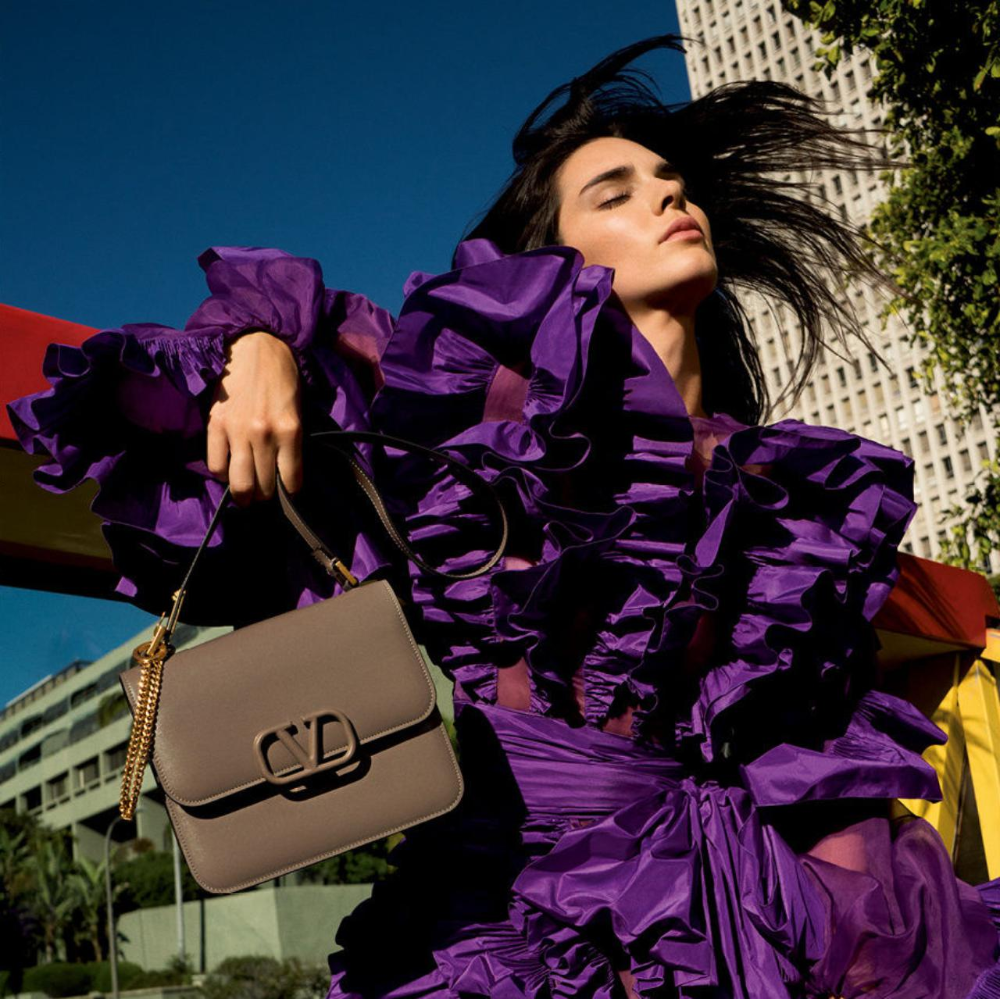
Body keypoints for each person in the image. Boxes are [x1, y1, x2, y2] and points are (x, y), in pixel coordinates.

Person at [8, 33, 1000, 999]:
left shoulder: (793, 491)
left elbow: (809, 744)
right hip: (524, 912)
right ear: (549, 260)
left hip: (780, 901)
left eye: (671, 182)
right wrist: (256, 342)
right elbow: (173, 402)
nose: (665, 196)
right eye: (614, 192)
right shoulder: (471, 436)